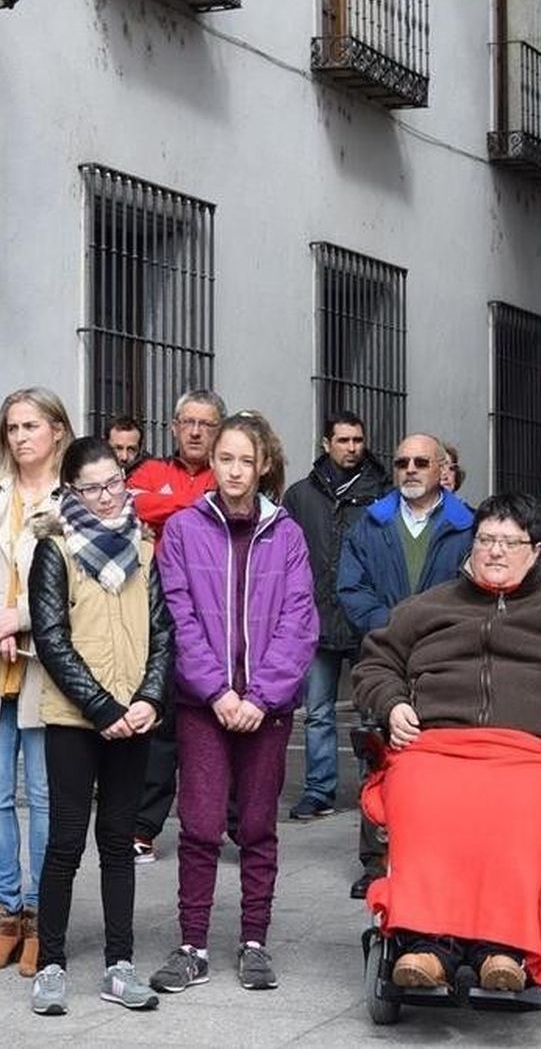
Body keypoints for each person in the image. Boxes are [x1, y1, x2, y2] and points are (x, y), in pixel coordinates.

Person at [352, 493, 541, 991]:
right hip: (438, 745)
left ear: (536, 549)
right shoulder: (426, 607)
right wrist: (393, 701)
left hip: (537, 751)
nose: (496, 552)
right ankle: (426, 942)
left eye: (510, 542)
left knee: (518, 806)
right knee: (419, 796)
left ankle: (504, 948)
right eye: (487, 539)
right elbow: (375, 664)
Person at [149, 413, 317, 995]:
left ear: (263, 464)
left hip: (265, 710)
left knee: (257, 825)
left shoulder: (288, 534)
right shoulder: (184, 530)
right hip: (204, 707)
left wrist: (259, 695)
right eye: (226, 459)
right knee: (197, 826)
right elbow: (178, 616)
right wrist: (218, 692)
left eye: (247, 460)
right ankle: (191, 943)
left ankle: (254, 942)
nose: (236, 470)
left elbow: (300, 622)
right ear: (212, 464)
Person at [26, 437, 171, 1017]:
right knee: (64, 843)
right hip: (75, 720)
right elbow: (51, 639)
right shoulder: (54, 549)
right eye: (93, 488)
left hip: (133, 717)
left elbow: (162, 632)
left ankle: (120, 963)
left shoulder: (144, 547)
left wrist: (148, 700)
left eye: (115, 482)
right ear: (72, 491)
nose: (109, 497)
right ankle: (51, 964)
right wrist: (103, 710)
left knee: (118, 843)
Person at [336, 432, 474, 898]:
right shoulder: (369, 524)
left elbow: (475, 591)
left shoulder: (467, 526)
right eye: (401, 463)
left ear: (442, 470)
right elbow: (350, 589)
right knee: (378, 759)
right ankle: (377, 860)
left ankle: (438, 856)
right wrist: (393, 625)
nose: (410, 470)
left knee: (442, 759)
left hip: (447, 660)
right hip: (383, 656)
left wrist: (436, 631)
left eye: (420, 462)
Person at [0, 387, 71, 977]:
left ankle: (38, 918)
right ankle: (3, 916)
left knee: (45, 800)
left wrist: (22, 618)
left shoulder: (75, 498)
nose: (21, 436)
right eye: (11, 428)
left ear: (58, 429)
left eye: (32, 425)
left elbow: (78, 585)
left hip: (44, 667)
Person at [128, 389, 226, 864]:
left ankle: (232, 823)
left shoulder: (226, 472)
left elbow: (222, 510)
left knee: (220, 716)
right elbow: (133, 507)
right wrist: (194, 504)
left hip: (218, 612)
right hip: (162, 610)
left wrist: (167, 508)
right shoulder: (148, 472)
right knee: (161, 720)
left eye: (205, 424)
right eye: (187, 422)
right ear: (172, 427)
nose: (195, 431)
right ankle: (145, 827)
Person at [281, 411, 388, 820]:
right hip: (317, 618)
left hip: (366, 620)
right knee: (318, 712)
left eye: (357, 440)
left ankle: (372, 788)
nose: (351, 448)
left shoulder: (382, 494)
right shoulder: (301, 496)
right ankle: (318, 790)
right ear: (326, 443)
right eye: (343, 440)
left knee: (371, 710)